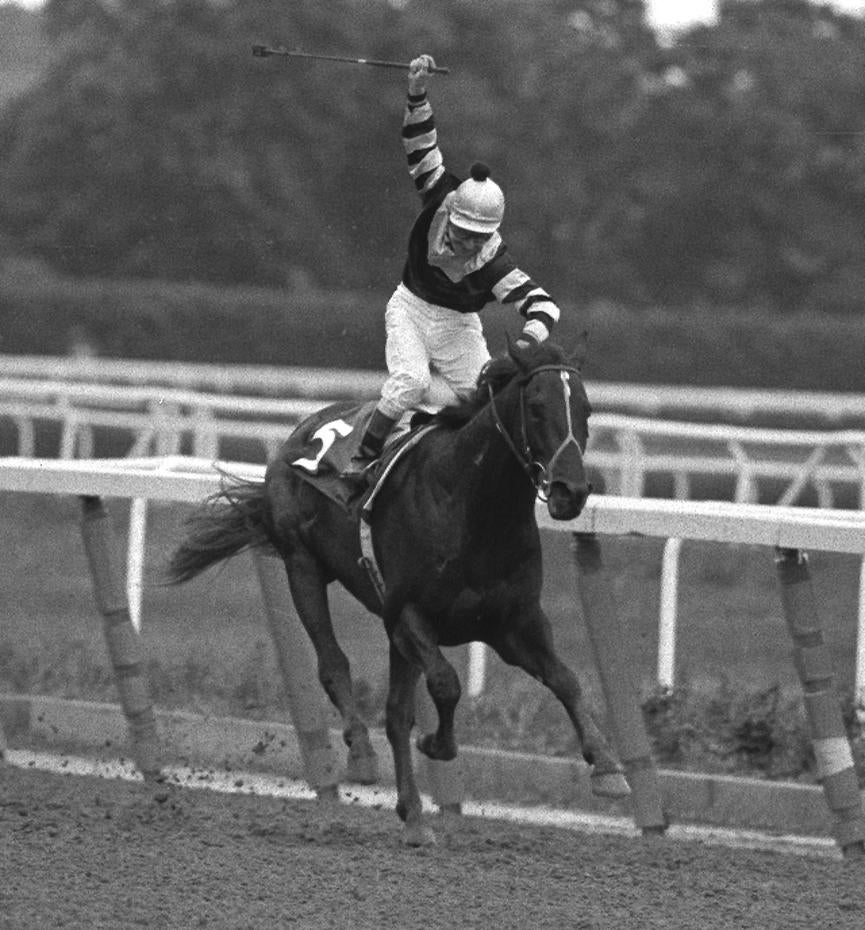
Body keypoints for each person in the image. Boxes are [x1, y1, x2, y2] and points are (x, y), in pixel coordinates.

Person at [350, 53, 564, 471]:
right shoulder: (438, 192)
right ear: (453, 214)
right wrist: (417, 91)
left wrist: (524, 345)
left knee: (489, 399)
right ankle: (362, 460)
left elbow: (545, 306)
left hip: (457, 327)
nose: (468, 243)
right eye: (464, 231)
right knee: (409, 383)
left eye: (478, 237)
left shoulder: (493, 260)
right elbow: (420, 142)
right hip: (409, 309)